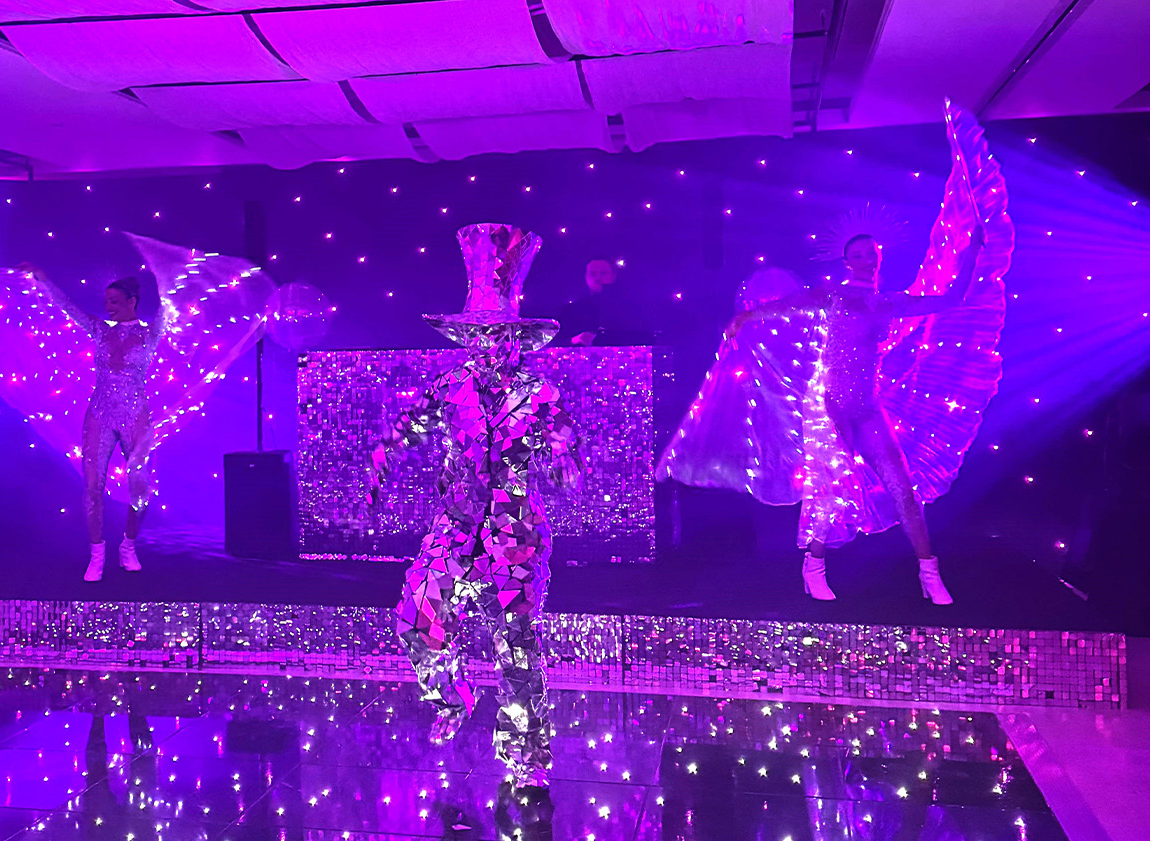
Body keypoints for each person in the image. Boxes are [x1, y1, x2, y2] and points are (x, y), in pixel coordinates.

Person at [661, 100, 1013, 607]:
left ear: (878, 258)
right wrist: (747, 317)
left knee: (902, 487)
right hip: (828, 406)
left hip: (866, 406)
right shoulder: (833, 295)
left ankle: (929, 572)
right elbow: (788, 303)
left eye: (870, 254)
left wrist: (975, 251)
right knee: (832, 488)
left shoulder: (890, 303)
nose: (865, 259)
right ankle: (814, 565)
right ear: (848, 261)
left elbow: (952, 299)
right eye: (857, 255)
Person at [367, 223, 582, 789]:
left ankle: (526, 759)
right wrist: (385, 452)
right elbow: (409, 427)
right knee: (418, 617)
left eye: (498, 333)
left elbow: (564, 451)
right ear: (466, 338)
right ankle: (452, 695)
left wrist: (562, 456)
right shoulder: (449, 387)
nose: (488, 343)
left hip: (514, 533)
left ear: (516, 337)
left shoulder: (539, 394)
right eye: (478, 333)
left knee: (518, 648)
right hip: (455, 527)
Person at [22, 268, 169, 582]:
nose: (108, 306)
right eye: (106, 301)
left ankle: (128, 546)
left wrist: (171, 272)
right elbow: (67, 306)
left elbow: (172, 302)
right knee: (92, 486)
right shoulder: (100, 330)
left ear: (132, 301)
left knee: (140, 485)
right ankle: (97, 554)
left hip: (135, 415)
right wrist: (43, 279)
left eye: (114, 301)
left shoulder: (151, 333)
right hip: (99, 414)